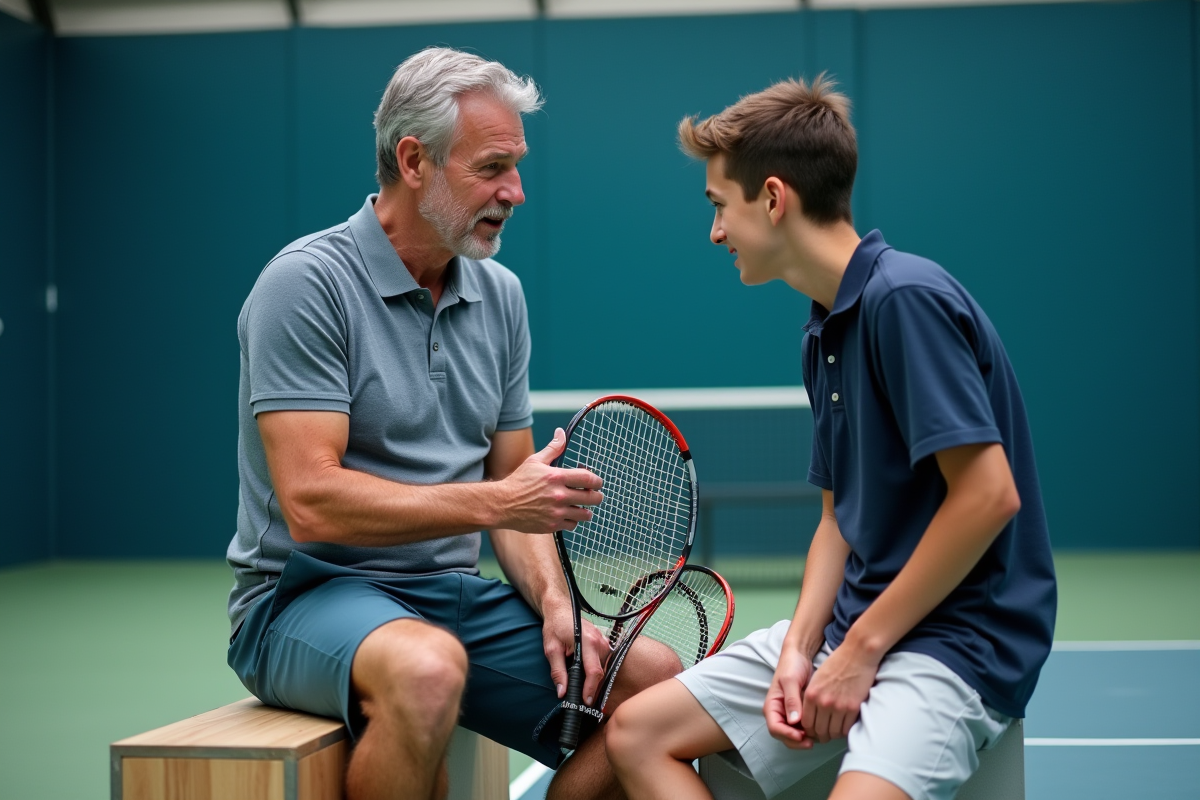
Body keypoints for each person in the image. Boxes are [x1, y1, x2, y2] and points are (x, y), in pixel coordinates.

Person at [226, 47, 676, 800]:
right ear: (413, 160)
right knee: (428, 668)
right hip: (304, 598)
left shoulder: (501, 296)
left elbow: (515, 489)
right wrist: (500, 503)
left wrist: (557, 604)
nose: (517, 191)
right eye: (493, 167)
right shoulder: (303, 284)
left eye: (518, 166)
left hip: (452, 596)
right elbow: (311, 502)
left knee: (654, 682)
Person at [605, 76, 1057, 800]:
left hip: (959, 644)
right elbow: (837, 521)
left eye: (721, 207)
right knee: (636, 734)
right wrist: (800, 648)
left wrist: (859, 652)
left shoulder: (904, 299)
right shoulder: (824, 327)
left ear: (775, 199)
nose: (715, 232)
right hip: (861, 627)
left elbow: (988, 497)